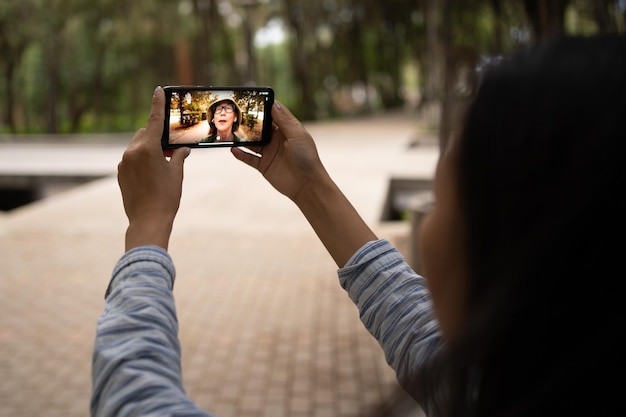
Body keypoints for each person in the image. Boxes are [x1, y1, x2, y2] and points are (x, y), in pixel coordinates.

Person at [92, 34, 626, 417]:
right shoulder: (508, 387)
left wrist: (148, 227)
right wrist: (310, 185)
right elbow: (420, 335)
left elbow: (136, 402)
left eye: (441, 201)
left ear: (510, 255)